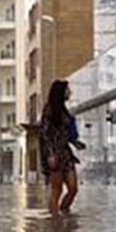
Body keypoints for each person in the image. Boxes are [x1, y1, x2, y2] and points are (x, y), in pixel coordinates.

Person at [40, 79, 82, 215]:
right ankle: (54, 222)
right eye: (67, 90)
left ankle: (65, 213)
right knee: (57, 190)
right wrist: (51, 154)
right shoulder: (49, 110)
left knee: (73, 189)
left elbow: (67, 134)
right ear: (60, 92)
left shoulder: (64, 111)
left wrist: (76, 143)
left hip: (66, 153)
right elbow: (45, 134)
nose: (70, 92)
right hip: (54, 154)